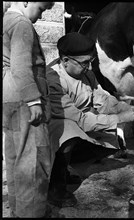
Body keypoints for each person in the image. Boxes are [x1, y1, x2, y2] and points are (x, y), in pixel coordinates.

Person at [46, 32, 134, 207]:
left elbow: (103, 99)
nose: (88, 67)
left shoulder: (87, 74)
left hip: (79, 124)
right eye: (84, 62)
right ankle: (55, 188)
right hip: (54, 130)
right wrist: (121, 117)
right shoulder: (53, 79)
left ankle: (63, 171)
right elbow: (79, 119)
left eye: (91, 62)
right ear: (65, 61)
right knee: (67, 130)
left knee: (112, 138)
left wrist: (129, 109)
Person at [3, 2, 54, 218]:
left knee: (15, 155)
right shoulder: (22, 24)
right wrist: (34, 100)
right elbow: (21, 66)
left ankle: (17, 208)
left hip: (9, 95)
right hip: (24, 97)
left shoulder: (5, 21)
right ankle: (31, 213)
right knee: (33, 161)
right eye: (41, 8)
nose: (40, 15)